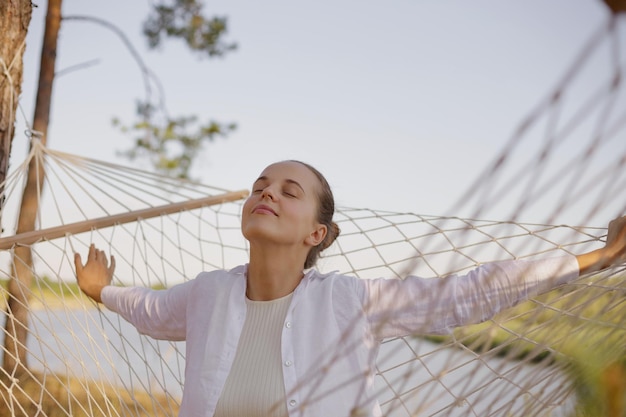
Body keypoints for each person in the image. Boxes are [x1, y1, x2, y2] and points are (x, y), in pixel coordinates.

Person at [74, 160, 626, 417]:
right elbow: (148, 309)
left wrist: (598, 258)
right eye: (259, 186)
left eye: (289, 191)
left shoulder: (348, 300)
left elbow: (467, 292)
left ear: (317, 232)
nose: (266, 193)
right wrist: (100, 290)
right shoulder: (207, 295)